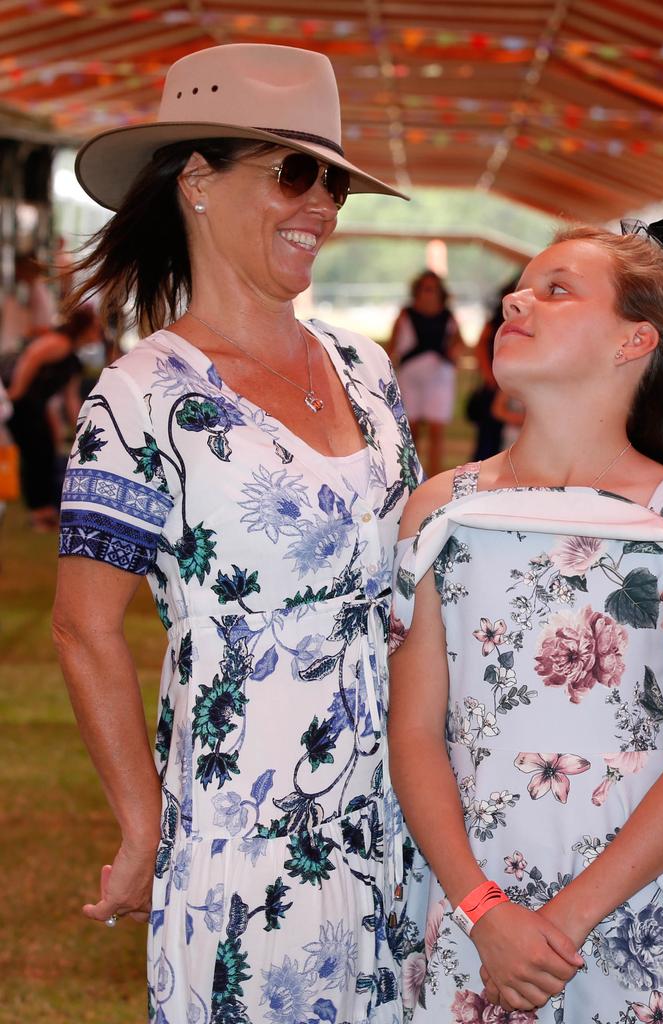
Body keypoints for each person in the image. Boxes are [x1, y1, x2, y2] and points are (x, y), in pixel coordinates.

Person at [52, 44, 423, 1024]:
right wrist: (141, 825)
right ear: (199, 184)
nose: (322, 208)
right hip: (246, 840)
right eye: (293, 174)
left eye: (333, 181)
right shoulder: (140, 397)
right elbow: (84, 628)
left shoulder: (368, 369)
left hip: (403, 818)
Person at [388, 219, 663, 1022]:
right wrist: (485, 910)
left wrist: (563, 922)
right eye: (519, 289)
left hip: (636, 897)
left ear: (634, 341)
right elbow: (415, 732)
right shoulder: (441, 510)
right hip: (474, 892)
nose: (518, 300)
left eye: (557, 289)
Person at [7, 304, 101, 531]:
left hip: (33, 406)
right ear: (84, 329)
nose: (98, 335)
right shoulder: (59, 343)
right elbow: (30, 359)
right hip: (21, 404)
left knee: (45, 453)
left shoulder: (72, 359)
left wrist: (80, 428)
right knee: (36, 454)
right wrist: (15, 393)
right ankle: (39, 514)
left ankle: (44, 511)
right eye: (95, 329)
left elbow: (70, 398)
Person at [389, 270, 463, 478]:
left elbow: (459, 342)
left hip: (439, 375)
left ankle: (435, 477)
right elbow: (392, 346)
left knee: (436, 429)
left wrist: (452, 354)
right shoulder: (406, 314)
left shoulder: (448, 316)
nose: (428, 293)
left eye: (433, 289)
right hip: (410, 376)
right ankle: (412, 476)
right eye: (424, 288)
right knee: (410, 429)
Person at [470, 277, 520, 461]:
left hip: (510, 384)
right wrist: (492, 378)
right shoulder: (494, 322)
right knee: (488, 438)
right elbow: (481, 348)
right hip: (495, 385)